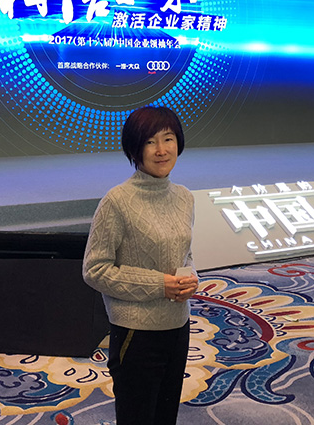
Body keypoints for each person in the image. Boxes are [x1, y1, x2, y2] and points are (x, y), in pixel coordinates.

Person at [83, 105, 198, 425]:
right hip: (137, 333)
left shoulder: (185, 197)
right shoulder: (117, 201)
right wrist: (160, 285)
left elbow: (185, 254)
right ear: (134, 148)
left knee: (165, 415)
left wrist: (191, 277)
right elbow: (95, 269)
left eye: (168, 139)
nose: (161, 150)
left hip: (178, 326)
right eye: (150, 142)